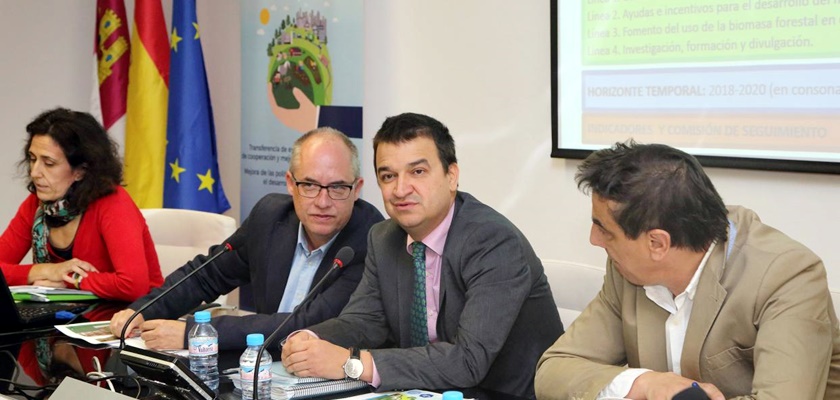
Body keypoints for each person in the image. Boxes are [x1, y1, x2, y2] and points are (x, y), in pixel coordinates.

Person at [281, 113, 563, 399]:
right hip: (423, 392)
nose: (401, 189)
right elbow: (363, 321)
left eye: (417, 172)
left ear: (451, 176)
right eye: (388, 176)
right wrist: (310, 340)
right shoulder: (384, 238)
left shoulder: (492, 241)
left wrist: (353, 364)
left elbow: (468, 360)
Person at [535, 141, 840, 400]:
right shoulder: (627, 272)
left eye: (605, 230)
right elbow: (555, 369)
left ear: (657, 243)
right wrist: (643, 383)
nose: (594, 239)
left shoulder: (787, 276)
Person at [109, 127, 384, 350]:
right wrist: (143, 310)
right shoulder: (271, 217)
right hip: (259, 368)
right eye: (309, 185)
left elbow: (307, 323)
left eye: (337, 187)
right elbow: (207, 275)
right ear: (290, 183)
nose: (323, 202)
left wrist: (196, 333)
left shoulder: (371, 239)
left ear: (357, 188)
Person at [0, 107, 163, 302]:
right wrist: (46, 270)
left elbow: (133, 285)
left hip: (130, 314)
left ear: (80, 171)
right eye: (32, 159)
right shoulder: (36, 203)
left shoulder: (113, 203)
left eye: (49, 163)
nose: (35, 172)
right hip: (65, 312)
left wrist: (70, 280)